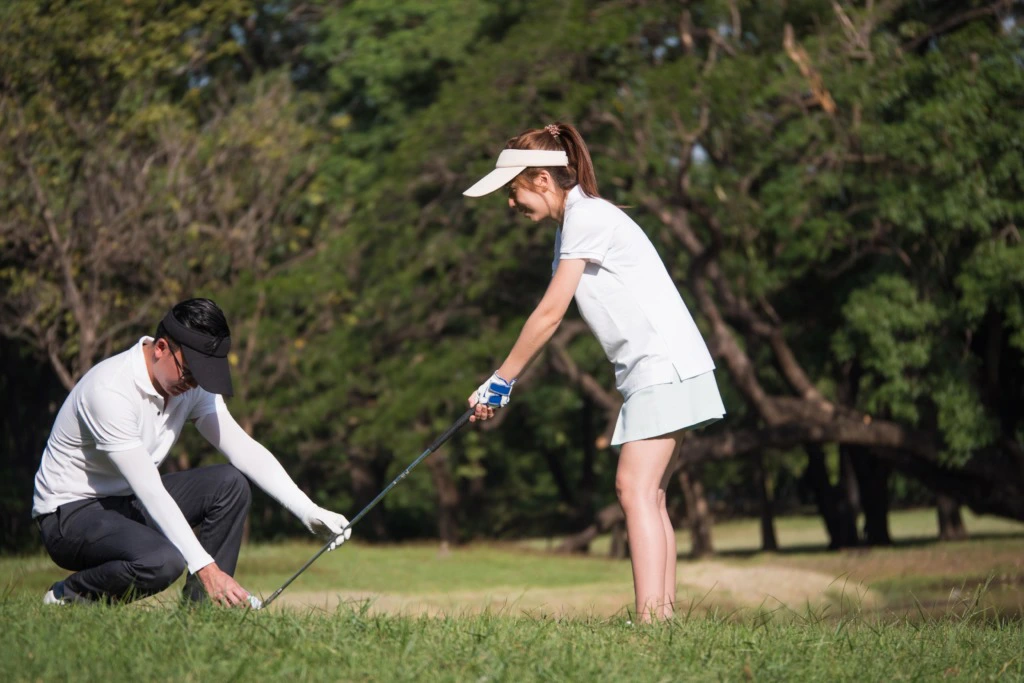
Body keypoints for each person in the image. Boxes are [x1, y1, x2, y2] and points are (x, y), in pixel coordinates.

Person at [464, 122, 725, 622]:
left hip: (662, 367)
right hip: (667, 368)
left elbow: (549, 314)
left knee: (634, 490)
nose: (510, 205)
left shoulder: (587, 218)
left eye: (513, 192)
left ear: (542, 179)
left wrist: (501, 381)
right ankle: (662, 621)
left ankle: (652, 623)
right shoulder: (576, 222)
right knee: (650, 494)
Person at [32, 298, 351, 607]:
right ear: (161, 348)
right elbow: (151, 490)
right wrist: (206, 567)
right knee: (162, 561)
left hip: (127, 501)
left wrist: (308, 510)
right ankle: (70, 595)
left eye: (202, 376)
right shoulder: (109, 391)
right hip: (70, 515)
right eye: (189, 372)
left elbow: (242, 449)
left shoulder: (190, 385)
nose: (194, 383)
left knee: (229, 483)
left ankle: (204, 610)